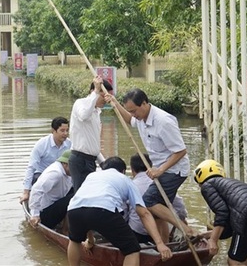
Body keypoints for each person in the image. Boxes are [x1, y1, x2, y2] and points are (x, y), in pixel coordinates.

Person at [105, 88, 196, 239]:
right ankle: (165, 245)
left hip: (174, 170)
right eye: (131, 111)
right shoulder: (140, 118)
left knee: (148, 202)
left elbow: (180, 151)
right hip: (160, 167)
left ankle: (187, 230)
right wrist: (115, 103)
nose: (134, 115)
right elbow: (129, 120)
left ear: (144, 103)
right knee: (158, 213)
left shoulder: (163, 121)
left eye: (134, 111)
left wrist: (160, 170)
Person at [66, 156, 172, 266]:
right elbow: (144, 213)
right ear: (123, 171)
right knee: (133, 249)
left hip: (74, 210)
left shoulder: (92, 176)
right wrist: (160, 244)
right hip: (103, 210)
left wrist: (91, 241)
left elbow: (86, 209)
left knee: (74, 241)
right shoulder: (125, 179)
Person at [193, 159, 247, 266]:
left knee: (234, 260)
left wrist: (213, 241)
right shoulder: (229, 185)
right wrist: (205, 235)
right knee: (245, 253)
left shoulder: (207, 185)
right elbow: (229, 227)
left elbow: (222, 212)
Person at [126, 153, 189, 244]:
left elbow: (124, 211)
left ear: (132, 170)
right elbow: (179, 208)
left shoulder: (130, 185)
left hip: (138, 233)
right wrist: (183, 222)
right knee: (168, 216)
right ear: (150, 166)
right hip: (160, 233)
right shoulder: (161, 184)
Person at [68, 75, 112, 192]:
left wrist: (103, 163)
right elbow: (83, 115)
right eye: (103, 96)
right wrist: (97, 91)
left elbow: (93, 142)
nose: (106, 99)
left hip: (91, 160)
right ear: (93, 91)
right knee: (81, 194)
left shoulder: (97, 112)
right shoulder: (80, 103)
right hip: (80, 159)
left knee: (90, 192)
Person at [19, 116, 71, 204]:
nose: (65, 133)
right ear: (53, 131)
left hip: (61, 175)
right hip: (42, 174)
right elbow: (31, 168)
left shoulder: (70, 144)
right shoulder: (41, 144)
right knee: (38, 181)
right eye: (62, 131)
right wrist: (26, 192)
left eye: (67, 130)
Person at [28, 149, 74, 230]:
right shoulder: (55, 173)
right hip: (44, 214)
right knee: (74, 198)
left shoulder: (67, 173)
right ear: (65, 164)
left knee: (78, 191)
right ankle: (65, 230)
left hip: (54, 203)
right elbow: (37, 189)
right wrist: (35, 214)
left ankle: (65, 223)